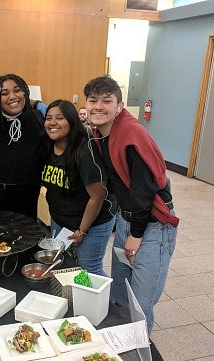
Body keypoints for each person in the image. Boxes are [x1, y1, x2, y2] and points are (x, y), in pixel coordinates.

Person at [84, 75, 179, 334]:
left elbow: (144, 191)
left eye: (107, 101)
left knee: (140, 300)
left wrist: (136, 234)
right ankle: (121, 343)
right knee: (120, 292)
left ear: (120, 106)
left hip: (151, 223)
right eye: (93, 100)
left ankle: (139, 354)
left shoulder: (131, 135)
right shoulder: (100, 133)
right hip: (127, 219)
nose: (99, 106)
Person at [40, 99, 117, 276]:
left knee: (89, 269)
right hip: (61, 221)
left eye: (59, 118)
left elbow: (97, 197)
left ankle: (108, 303)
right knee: (65, 264)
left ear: (72, 121)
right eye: (49, 118)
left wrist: (82, 231)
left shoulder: (84, 152)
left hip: (93, 222)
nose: (52, 123)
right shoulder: (47, 147)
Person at [0, 74, 44, 220]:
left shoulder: (37, 117)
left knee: (26, 239)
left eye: (17, 90)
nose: (12, 97)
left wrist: (38, 104)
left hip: (27, 198)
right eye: (4, 93)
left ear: (25, 92)